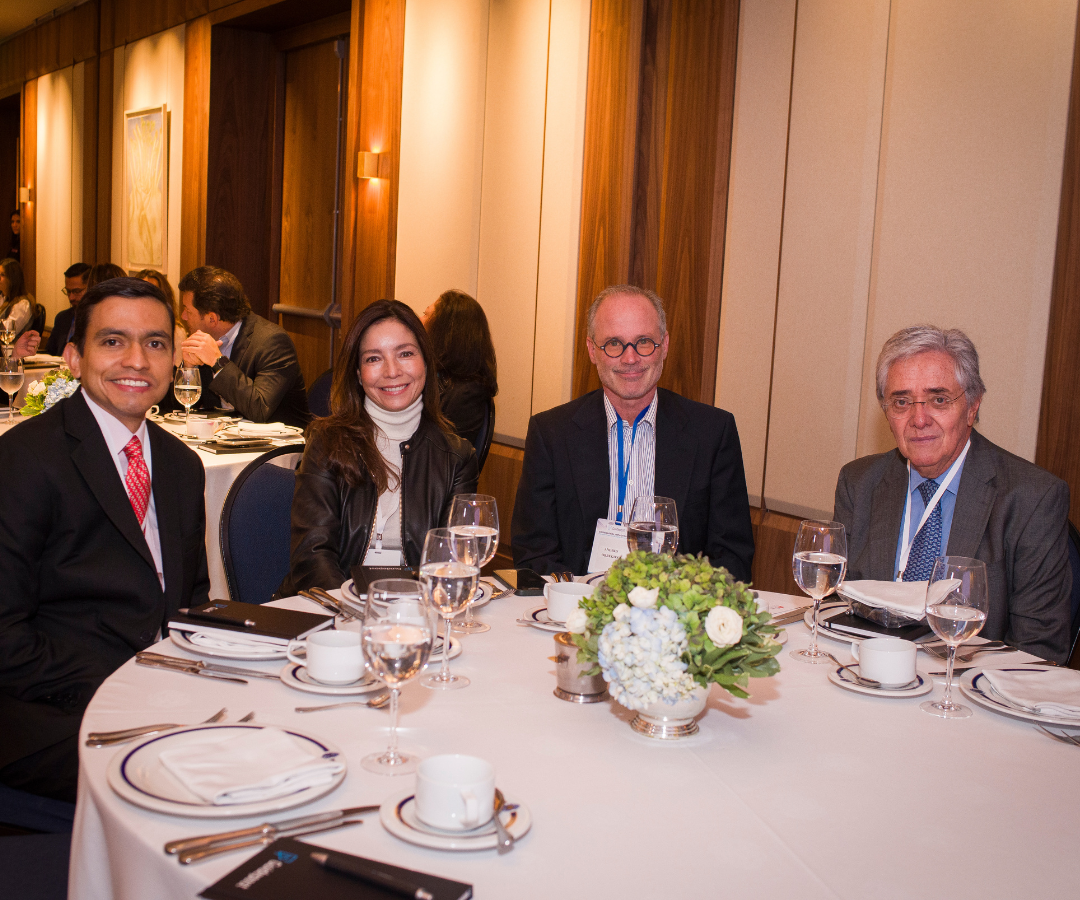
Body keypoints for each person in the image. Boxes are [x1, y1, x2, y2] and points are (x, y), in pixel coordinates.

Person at [0, 276, 210, 802]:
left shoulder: (182, 465)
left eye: (156, 343)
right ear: (73, 357)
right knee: (193, 778)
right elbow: (5, 636)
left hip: (160, 695)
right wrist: (130, 687)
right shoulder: (24, 460)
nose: (137, 360)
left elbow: (191, 603)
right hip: (50, 707)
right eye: (113, 341)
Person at [834, 325, 1072, 663]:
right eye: (901, 402)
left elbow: (1039, 651)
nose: (919, 419)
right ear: (887, 413)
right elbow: (837, 612)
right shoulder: (859, 483)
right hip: (871, 676)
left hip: (969, 695)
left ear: (972, 406)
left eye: (938, 399)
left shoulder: (1032, 497)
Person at [512, 285, 755, 580]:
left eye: (643, 342)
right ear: (592, 350)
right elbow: (533, 555)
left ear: (664, 345)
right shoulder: (550, 434)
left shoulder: (713, 434)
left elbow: (733, 556)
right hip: (579, 612)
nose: (630, 359)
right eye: (614, 343)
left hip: (673, 615)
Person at [279, 299, 478, 595]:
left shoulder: (457, 457)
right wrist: (358, 613)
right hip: (330, 610)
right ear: (358, 374)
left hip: (415, 615)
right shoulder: (326, 441)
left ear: (426, 362)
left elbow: (451, 564)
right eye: (374, 358)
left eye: (405, 354)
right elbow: (312, 557)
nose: (392, 371)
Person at [178, 266, 310, 428]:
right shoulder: (203, 338)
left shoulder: (272, 342)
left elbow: (259, 409)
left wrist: (217, 362)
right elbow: (177, 409)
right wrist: (189, 369)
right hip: (225, 440)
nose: (183, 316)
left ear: (212, 318)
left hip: (276, 447)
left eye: (187, 311)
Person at [421, 289, 498, 451]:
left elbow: (441, 458)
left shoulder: (466, 395)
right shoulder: (432, 378)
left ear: (445, 332)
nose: (419, 320)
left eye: (426, 314)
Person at [134, 268, 186, 366]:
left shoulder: (176, 331)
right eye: (141, 293)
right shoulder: (125, 326)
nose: (146, 299)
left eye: (153, 294)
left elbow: (178, 370)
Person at [43, 262, 90, 356]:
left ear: (89, 288)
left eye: (77, 291)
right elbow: (49, 352)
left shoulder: (95, 319)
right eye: (68, 292)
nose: (71, 297)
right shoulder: (62, 318)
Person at [0, 257, 34, 336]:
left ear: (12, 279)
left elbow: (7, 332)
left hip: (12, 347)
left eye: (2, 275)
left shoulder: (23, 304)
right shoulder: (3, 297)